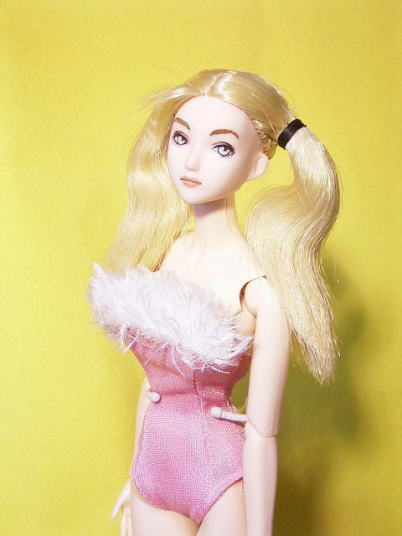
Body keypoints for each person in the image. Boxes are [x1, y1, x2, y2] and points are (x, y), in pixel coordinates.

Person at [87, 69, 341, 536]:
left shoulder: (259, 289)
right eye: (181, 138)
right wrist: (134, 474)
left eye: (221, 147)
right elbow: (152, 388)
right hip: (151, 476)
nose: (192, 161)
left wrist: (260, 530)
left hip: (220, 476)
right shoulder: (164, 256)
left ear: (256, 165)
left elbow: (262, 433)